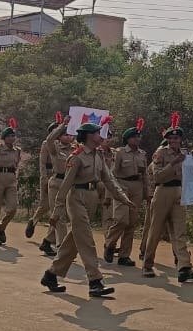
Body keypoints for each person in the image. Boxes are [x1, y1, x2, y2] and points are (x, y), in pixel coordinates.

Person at [41, 122, 132, 298]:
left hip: (91, 198)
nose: (101, 136)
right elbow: (65, 185)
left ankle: (51, 275)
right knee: (87, 240)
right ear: (89, 136)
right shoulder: (76, 157)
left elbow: (109, 180)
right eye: (98, 133)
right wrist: (57, 210)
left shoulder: (98, 155)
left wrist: (122, 197)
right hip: (76, 198)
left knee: (74, 240)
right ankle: (95, 281)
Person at [140, 113, 193, 283]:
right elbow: (157, 176)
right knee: (156, 230)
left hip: (179, 192)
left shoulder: (185, 154)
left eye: (177, 138)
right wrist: (173, 163)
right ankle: (147, 264)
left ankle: (184, 267)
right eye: (171, 138)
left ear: (181, 139)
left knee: (180, 231)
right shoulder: (160, 153)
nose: (174, 141)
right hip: (163, 191)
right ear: (167, 139)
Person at [103, 120, 148, 268]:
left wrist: (147, 193)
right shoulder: (120, 153)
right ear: (127, 139)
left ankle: (124, 255)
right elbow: (111, 175)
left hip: (137, 187)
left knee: (131, 223)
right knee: (121, 220)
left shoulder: (142, 154)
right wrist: (109, 195)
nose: (137, 139)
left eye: (138, 137)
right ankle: (110, 244)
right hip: (121, 186)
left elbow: (145, 175)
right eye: (134, 137)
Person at [37, 120, 73, 257]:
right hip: (57, 183)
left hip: (70, 185)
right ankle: (62, 248)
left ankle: (47, 241)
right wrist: (63, 125)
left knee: (65, 216)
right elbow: (49, 139)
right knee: (60, 216)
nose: (68, 137)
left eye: (70, 134)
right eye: (65, 134)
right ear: (59, 136)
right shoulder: (54, 147)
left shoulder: (76, 149)